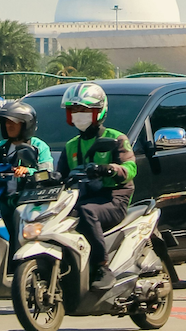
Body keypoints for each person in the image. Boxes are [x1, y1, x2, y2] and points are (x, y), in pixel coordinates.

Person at [56, 82, 136, 290]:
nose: (78, 115)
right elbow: (61, 176)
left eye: (84, 110)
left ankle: (102, 266)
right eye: (74, 110)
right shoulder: (71, 145)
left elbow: (130, 167)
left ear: (98, 112)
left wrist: (109, 169)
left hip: (113, 198)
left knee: (86, 212)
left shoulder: (116, 138)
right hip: (81, 197)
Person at [0, 101, 53, 248]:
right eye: (6, 122)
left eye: (14, 122)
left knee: (18, 215)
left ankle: (16, 259)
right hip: (1, 198)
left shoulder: (39, 147)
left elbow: (48, 174)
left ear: (26, 124)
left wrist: (28, 171)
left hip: (28, 200)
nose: (9, 126)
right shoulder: (0, 148)